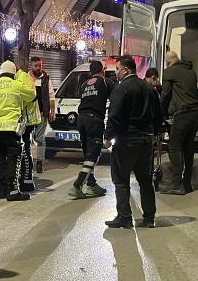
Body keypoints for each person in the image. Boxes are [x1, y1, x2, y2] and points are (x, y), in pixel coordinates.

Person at [104, 56, 162, 229]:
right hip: (145, 140)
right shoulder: (149, 88)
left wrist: (107, 136)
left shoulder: (122, 89)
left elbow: (115, 116)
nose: (116, 73)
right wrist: (156, 133)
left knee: (121, 179)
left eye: (117, 69)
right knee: (145, 180)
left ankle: (124, 217)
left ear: (126, 70)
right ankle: (149, 217)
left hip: (126, 139)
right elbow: (158, 114)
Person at [0, 61, 36, 201]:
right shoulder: (16, 85)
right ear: (14, 73)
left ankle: (2, 190)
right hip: (11, 129)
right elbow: (32, 96)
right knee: (13, 158)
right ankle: (13, 190)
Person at [159, 50, 198, 195]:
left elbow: (165, 94)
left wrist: (160, 112)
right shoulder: (191, 72)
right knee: (188, 148)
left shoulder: (170, 72)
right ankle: (187, 183)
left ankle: (176, 183)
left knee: (174, 147)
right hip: (196, 114)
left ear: (168, 62)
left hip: (183, 113)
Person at [69, 60, 113, 199]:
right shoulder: (106, 82)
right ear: (102, 71)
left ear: (90, 72)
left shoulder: (83, 85)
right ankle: (77, 185)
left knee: (88, 153)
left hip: (81, 119)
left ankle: (91, 184)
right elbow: (115, 101)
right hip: (94, 120)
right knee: (93, 155)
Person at [29, 57, 56, 174]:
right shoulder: (25, 78)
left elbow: (51, 96)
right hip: (28, 114)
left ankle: (39, 163)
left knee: (40, 139)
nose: (38, 68)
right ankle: (27, 162)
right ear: (31, 66)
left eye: (40, 65)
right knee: (26, 140)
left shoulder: (46, 78)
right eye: (36, 65)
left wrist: (52, 111)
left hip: (41, 113)